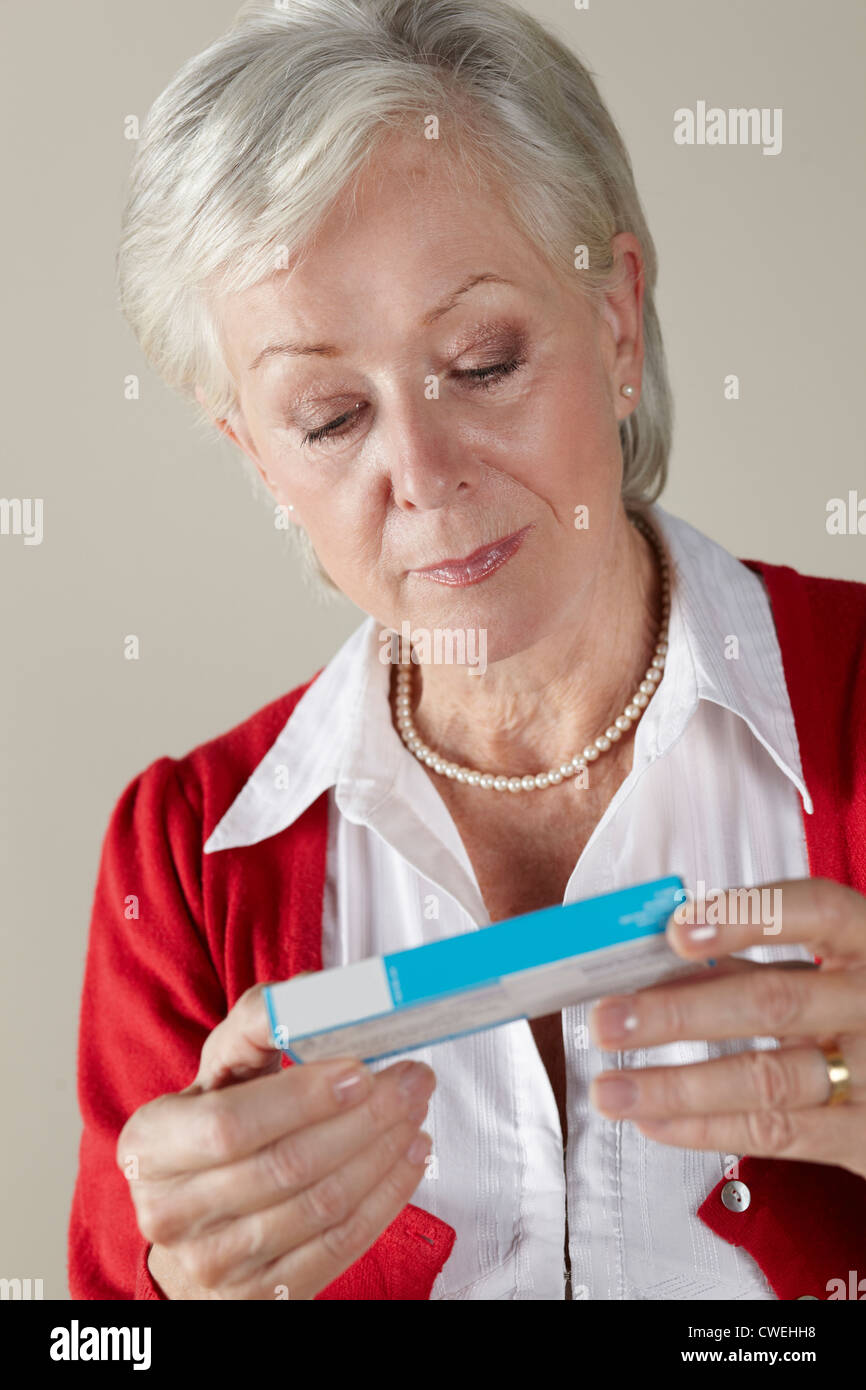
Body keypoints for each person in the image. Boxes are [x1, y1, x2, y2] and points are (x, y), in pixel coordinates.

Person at [69, 0, 866, 1301]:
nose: (424, 475)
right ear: (254, 454)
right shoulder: (184, 857)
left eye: (483, 360)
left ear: (615, 324)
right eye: (327, 417)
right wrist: (166, 1294)